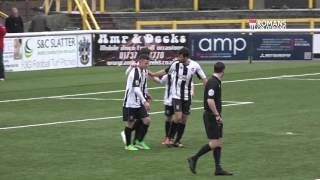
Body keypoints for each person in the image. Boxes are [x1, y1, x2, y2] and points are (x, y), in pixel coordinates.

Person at [150, 47, 207, 148]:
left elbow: (203, 78)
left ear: (185, 57)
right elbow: (165, 71)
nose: (178, 58)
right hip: (176, 96)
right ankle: (169, 138)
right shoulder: (175, 64)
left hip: (187, 96)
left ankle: (177, 140)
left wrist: (207, 91)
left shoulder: (195, 66)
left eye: (180, 57)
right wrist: (154, 74)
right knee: (178, 117)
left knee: (184, 119)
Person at [187, 62, 232, 176]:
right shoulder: (213, 83)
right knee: (215, 142)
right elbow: (210, 100)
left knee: (219, 142)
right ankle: (194, 158)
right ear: (223, 70)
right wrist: (217, 115)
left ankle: (218, 169)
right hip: (211, 116)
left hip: (214, 115)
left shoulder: (215, 81)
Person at [122, 54, 152, 151]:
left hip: (139, 102)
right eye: (145, 63)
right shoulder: (135, 72)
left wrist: (147, 94)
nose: (147, 65)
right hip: (131, 102)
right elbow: (135, 89)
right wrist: (145, 101)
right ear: (140, 62)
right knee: (131, 123)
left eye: (148, 63)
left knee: (147, 120)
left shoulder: (144, 71)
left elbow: (143, 85)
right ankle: (128, 145)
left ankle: (140, 141)